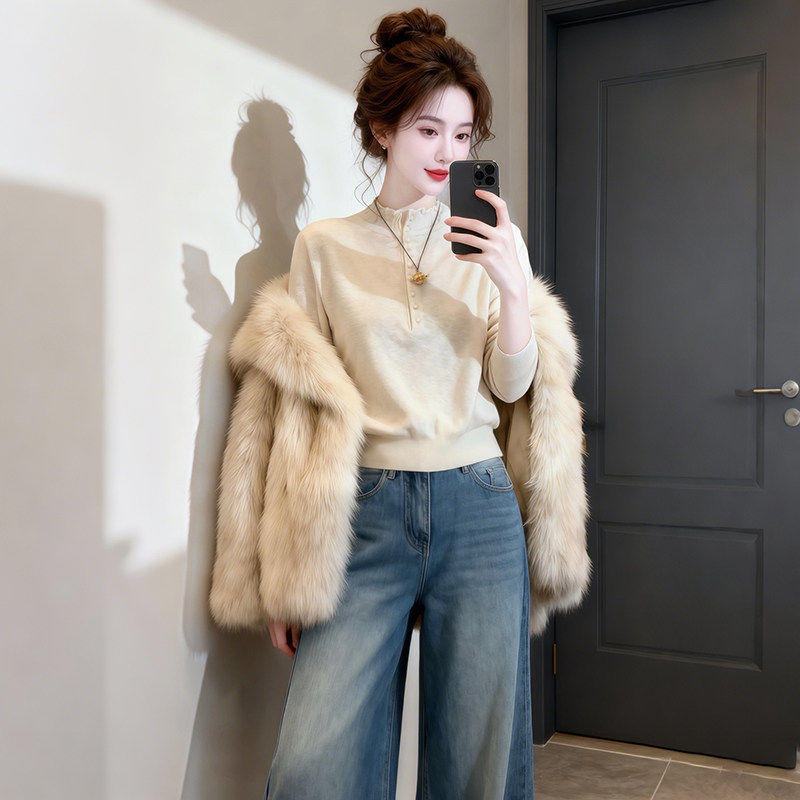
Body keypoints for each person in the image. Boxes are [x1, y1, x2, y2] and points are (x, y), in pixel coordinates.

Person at [210, 7, 592, 799]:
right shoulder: (323, 248)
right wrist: (287, 569)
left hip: (478, 508)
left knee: (477, 764)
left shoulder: (488, 244)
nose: (448, 152)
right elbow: (299, 416)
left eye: (463, 135)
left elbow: (512, 387)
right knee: (314, 766)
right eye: (428, 130)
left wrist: (511, 288)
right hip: (366, 515)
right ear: (383, 130)